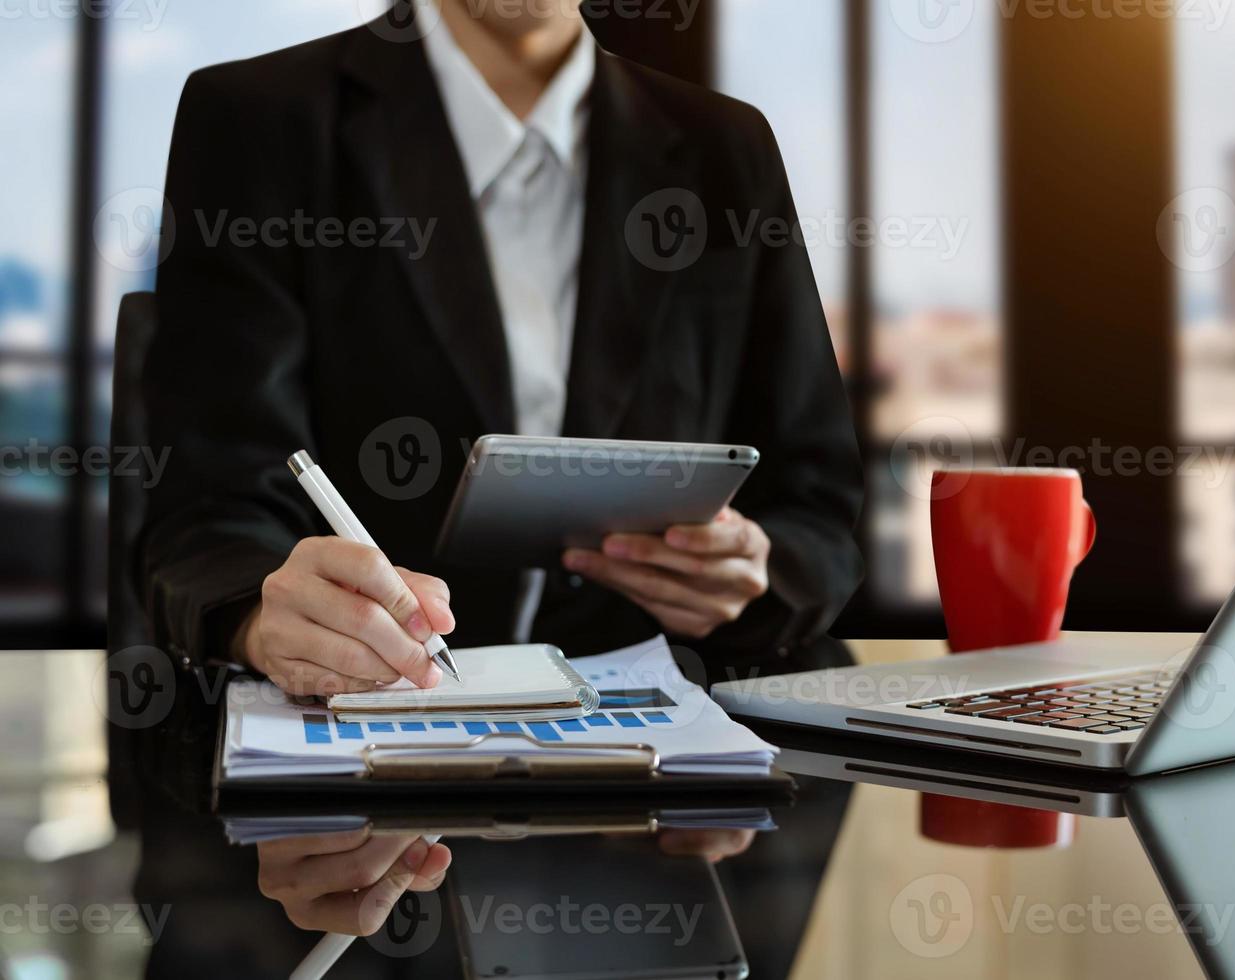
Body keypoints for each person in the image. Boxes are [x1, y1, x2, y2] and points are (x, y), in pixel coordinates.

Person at [140, 0, 863, 696]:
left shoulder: (725, 150)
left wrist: (756, 572)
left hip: (661, 750)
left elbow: (818, 510)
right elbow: (207, 506)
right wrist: (261, 617)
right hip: (375, 727)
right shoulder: (257, 118)